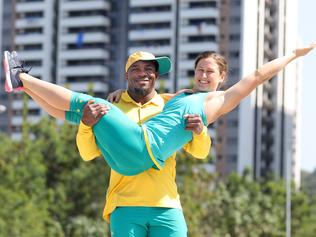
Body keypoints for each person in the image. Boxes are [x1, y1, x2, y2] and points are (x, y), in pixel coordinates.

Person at [3, 44, 314, 175]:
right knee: (79, 115)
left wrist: (293, 55)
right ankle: (22, 86)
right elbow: (147, 98)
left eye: (210, 72)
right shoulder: (179, 97)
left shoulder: (219, 101)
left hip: (143, 149)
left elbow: (258, 76)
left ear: (222, 78)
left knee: (88, 103)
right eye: (200, 70)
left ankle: (23, 76)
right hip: (130, 158)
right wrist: (119, 95)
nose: (204, 75)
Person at [76, 51, 211, 236]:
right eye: (136, 69)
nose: (143, 73)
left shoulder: (170, 106)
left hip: (167, 205)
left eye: (149, 69)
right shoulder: (110, 107)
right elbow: (87, 154)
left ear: (156, 75)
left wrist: (200, 131)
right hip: (124, 205)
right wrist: (85, 125)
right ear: (126, 75)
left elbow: (200, 153)